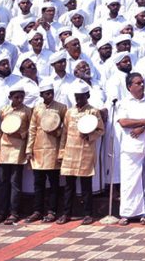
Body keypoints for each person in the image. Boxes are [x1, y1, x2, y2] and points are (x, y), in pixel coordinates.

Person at [115, 72, 145, 225]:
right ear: (130, 87)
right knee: (130, 182)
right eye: (137, 83)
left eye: (142, 82)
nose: (142, 85)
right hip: (130, 148)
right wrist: (144, 122)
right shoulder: (124, 102)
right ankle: (127, 213)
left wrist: (143, 128)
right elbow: (124, 122)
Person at [57, 81, 105, 225]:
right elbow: (64, 133)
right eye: (76, 97)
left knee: (86, 186)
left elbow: (100, 130)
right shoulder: (69, 112)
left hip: (85, 153)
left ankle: (88, 214)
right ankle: (66, 214)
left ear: (87, 96)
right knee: (68, 186)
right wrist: (61, 152)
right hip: (70, 153)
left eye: (81, 97)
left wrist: (90, 136)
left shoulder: (93, 112)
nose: (78, 100)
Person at [25, 80, 67, 223]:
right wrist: (28, 149)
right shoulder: (36, 109)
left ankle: (52, 211)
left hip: (53, 151)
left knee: (54, 183)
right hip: (38, 150)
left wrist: (57, 132)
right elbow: (32, 129)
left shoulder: (61, 108)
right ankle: (37, 210)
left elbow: (65, 130)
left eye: (51, 93)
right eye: (46, 94)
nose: (49, 96)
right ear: (41, 95)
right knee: (38, 183)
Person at [0, 84, 31, 225]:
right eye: (16, 97)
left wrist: (19, 134)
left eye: (21, 97)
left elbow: (30, 132)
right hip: (4, 148)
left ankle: (14, 213)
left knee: (15, 182)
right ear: (10, 97)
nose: (19, 100)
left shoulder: (27, 111)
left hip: (18, 149)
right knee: (3, 183)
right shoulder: (4, 110)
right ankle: (2, 212)